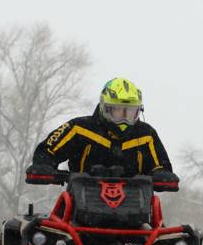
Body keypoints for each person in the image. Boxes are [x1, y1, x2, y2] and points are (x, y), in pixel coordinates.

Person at [30, 78, 178, 183]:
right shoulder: (79, 128)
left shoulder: (146, 135)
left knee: (165, 223)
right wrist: (44, 166)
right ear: (105, 108)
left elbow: (161, 165)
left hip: (136, 210)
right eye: (119, 111)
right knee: (40, 225)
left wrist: (162, 174)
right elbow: (47, 151)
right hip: (79, 206)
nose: (125, 119)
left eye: (131, 113)